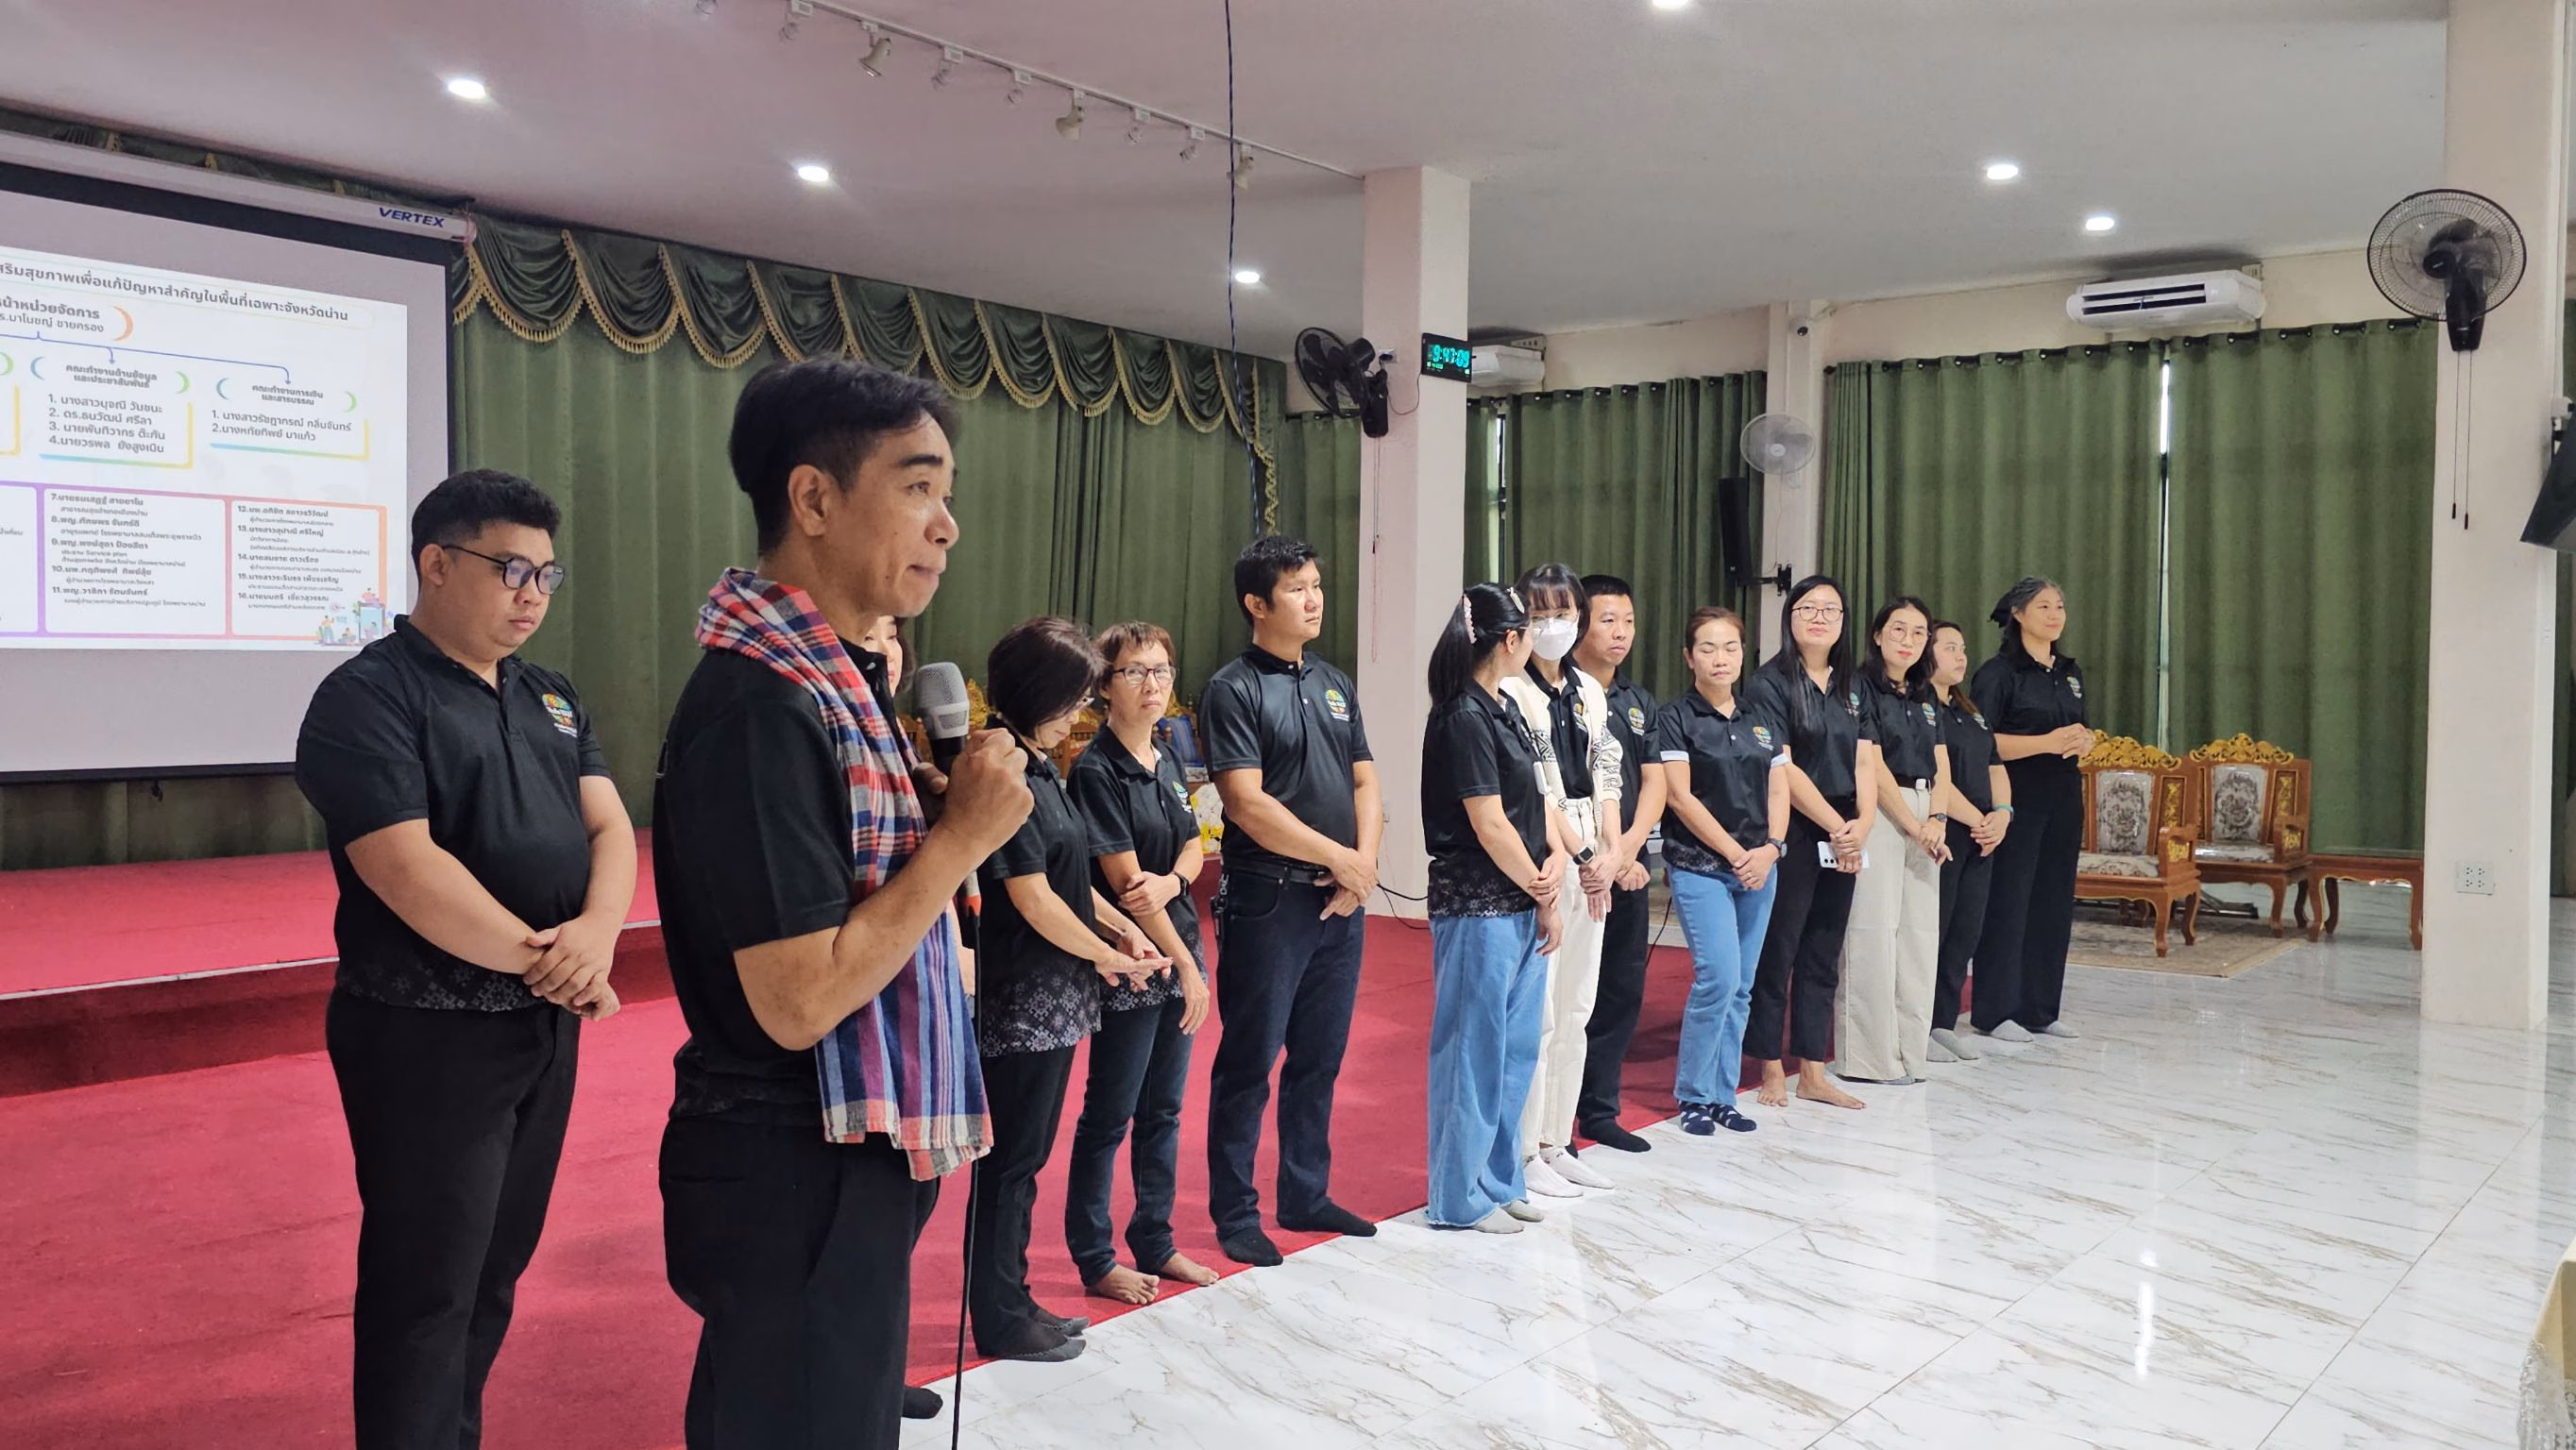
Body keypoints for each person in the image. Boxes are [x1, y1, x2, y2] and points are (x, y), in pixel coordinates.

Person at [652, 358, 1030, 1449]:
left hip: (833, 1144)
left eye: (946, 493)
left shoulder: (832, 686)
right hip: (791, 1156)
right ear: (813, 499)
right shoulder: (763, 706)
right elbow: (798, 1000)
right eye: (917, 488)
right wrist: (957, 843)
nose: (946, 526)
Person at [294, 468, 636, 1450]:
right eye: (511, 569)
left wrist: (598, 934)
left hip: (542, 1026)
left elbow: (610, 829)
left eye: (547, 575)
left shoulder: (550, 695)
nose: (533, 594)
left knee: (493, 1271)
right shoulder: (367, 695)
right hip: (425, 1035)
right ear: (436, 565)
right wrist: (554, 962)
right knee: (426, 1284)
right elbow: (405, 867)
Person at [967, 617, 1168, 1361]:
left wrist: (1122, 931)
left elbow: (1070, 881)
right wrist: (1108, 955)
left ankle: (1016, 1298)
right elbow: (1031, 898)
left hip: (1056, 996)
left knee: (1027, 1162)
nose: (1079, 713)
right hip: (1024, 999)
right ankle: (999, 1315)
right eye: (1074, 699)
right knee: (1011, 1165)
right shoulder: (1006, 769)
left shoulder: (1040, 762)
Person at [1199, 534, 1383, 1267]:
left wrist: (1362, 865)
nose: (1314, 599)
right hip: (1269, 899)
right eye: (1297, 588)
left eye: (1316, 585)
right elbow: (1245, 803)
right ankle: (1235, 1213)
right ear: (1256, 603)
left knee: (1320, 1057)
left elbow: (1365, 779)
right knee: (1249, 1062)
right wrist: (1341, 857)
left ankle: (1305, 1192)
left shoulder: (1334, 682)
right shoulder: (1233, 689)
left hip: (1339, 900)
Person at [1062, 622, 1219, 1307]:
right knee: (1111, 1111)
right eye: (1135, 672)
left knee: (1165, 1110)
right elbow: (1127, 888)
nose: (1153, 684)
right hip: (1136, 959)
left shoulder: (1167, 754)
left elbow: (1194, 844)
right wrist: (1184, 965)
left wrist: (1176, 881)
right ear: (1105, 685)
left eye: (1162, 670)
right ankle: (1095, 1256)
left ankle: (1155, 1239)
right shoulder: (1097, 770)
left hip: (1179, 944)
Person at [1421, 584, 1567, 1233]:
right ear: (1509, 640)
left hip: (1520, 898)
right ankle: (1457, 1197)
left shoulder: (1505, 707)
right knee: (1472, 1052)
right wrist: (1540, 885)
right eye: (1530, 629)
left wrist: (1553, 865)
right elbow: (1488, 822)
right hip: (1477, 903)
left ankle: (1499, 1180)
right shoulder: (1462, 715)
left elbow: (1532, 805)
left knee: (1515, 1052)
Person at [1497, 564, 1618, 1195]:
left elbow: (1607, 772)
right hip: (1547, 848)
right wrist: (1582, 855)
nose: (1553, 625)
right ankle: (1524, 1150)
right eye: (1539, 614)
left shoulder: (1589, 690)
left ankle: (1557, 1138)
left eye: (1564, 613)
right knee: (1539, 1012)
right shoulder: (1509, 689)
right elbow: (1534, 786)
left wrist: (1611, 852)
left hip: (1592, 845)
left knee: (1577, 1006)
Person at [1737, 575, 1876, 1111]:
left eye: (1831, 610)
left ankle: (1812, 1071)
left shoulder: (1853, 684)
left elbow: (1866, 758)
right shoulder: (1769, 682)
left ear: (1844, 622)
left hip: (1845, 830)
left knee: (1823, 949)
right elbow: (1784, 767)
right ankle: (1770, 1066)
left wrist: (1862, 823)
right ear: (1790, 617)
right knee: (1781, 948)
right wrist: (1837, 827)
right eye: (1809, 608)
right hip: (1793, 828)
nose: (1820, 618)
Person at [1653, 607, 1789, 1137]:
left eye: (1730, 647)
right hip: (1702, 867)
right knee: (1719, 979)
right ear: (1689, 657)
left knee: (1743, 987)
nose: (1720, 658)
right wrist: (1737, 853)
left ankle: (1722, 1095)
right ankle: (1692, 1095)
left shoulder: (1761, 715)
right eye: (1707, 648)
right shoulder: (1676, 716)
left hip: (1760, 868)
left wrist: (1772, 849)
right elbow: (1681, 797)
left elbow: (1779, 788)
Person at [1970, 577, 2091, 1042]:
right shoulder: (1999, 674)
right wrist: (2046, 742)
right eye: (2044, 606)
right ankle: (1995, 1011)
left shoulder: (2071, 673)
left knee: (2053, 901)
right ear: (2018, 614)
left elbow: (2079, 729)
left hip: (2064, 796)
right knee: (2010, 900)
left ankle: (2040, 1008)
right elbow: (1981, 741)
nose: (2055, 614)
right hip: (2016, 798)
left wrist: (2084, 740)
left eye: (2060, 606)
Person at [1838, 596, 1952, 1086]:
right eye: (1898, 629)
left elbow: (1942, 762)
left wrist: (1938, 818)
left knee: (1919, 939)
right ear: (1878, 634)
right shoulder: (1859, 686)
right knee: (1873, 932)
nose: (1908, 640)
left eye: (1919, 632)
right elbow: (1872, 764)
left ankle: (1911, 1053)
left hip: (1927, 812)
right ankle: (1867, 1059)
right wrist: (1912, 823)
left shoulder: (1926, 693)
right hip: (1882, 812)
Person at [1571, 575, 1667, 1155]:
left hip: (1629, 864)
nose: (1621, 632)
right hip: (1578, 864)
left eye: (1628, 621)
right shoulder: (1558, 693)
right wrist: (1604, 856)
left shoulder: (1637, 701)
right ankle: (1554, 1117)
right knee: (1571, 997)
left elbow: (1654, 782)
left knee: (1620, 991)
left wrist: (1628, 849)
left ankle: (1600, 1110)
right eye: (1608, 620)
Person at [1927, 620, 2009, 1063]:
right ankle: (1919, 1023)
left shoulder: (1970, 710)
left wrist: (2003, 814)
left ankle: (1943, 1022)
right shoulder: (1922, 708)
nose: (1961, 657)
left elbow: (1996, 765)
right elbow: (1936, 777)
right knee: (1934, 931)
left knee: (1964, 933)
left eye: (1963, 648)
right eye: (1949, 648)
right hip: (1946, 833)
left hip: (1982, 836)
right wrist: (1979, 819)